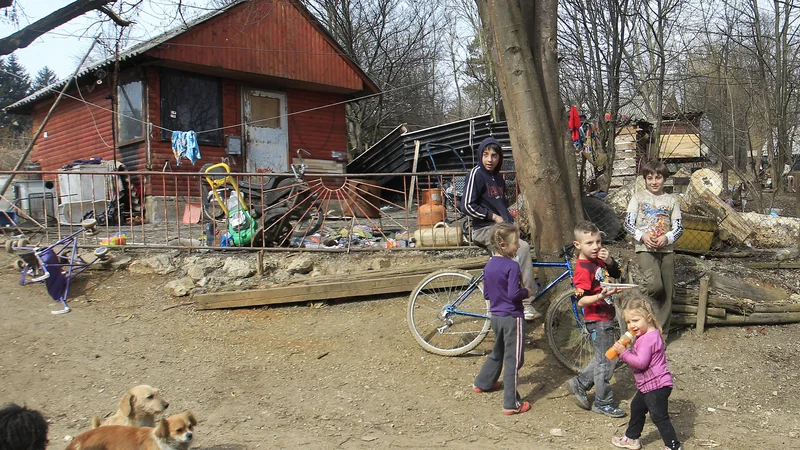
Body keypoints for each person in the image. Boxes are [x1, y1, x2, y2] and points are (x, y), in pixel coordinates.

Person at [461, 136, 541, 321]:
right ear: (480, 155)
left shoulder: (498, 178)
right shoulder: (476, 174)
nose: (490, 159)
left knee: (519, 249)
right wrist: (494, 217)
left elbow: (501, 206)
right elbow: (466, 205)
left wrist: (511, 221)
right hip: (483, 229)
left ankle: (508, 304)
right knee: (520, 248)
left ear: (499, 158)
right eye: (486, 155)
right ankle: (526, 303)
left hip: (500, 229)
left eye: (494, 155)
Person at [564, 221, 626, 418]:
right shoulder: (583, 269)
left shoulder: (598, 260)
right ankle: (603, 401)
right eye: (589, 243)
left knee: (605, 357)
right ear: (577, 245)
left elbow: (616, 273)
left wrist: (610, 261)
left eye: (598, 241)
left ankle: (580, 383)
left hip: (606, 315)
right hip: (597, 319)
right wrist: (600, 296)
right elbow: (581, 301)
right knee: (606, 361)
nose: (596, 246)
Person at [472, 222, 532, 415]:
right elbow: (515, 293)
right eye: (516, 243)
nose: (518, 246)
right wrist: (526, 291)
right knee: (513, 360)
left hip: (496, 317)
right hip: (512, 317)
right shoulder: (512, 266)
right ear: (503, 246)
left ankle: (483, 382)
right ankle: (511, 403)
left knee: (497, 351)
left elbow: (487, 294)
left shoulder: (489, 265)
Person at [611, 293, 682, 450]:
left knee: (659, 416)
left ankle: (673, 446)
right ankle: (631, 438)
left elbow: (641, 363)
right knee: (637, 408)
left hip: (657, 386)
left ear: (648, 318)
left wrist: (623, 352)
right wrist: (627, 349)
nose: (631, 325)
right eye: (628, 322)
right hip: (647, 386)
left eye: (635, 320)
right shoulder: (645, 336)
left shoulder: (648, 338)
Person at [624, 160, 683, 341]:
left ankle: (660, 335)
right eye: (650, 178)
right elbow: (628, 223)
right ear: (645, 179)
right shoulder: (638, 198)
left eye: (658, 178)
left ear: (664, 179)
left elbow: (679, 227)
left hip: (667, 250)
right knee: (653, 286)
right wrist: (643, 236)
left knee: (666, 291)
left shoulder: (672, 200)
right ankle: (636, 309)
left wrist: (667, 237)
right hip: (645, 248)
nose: (654, 182)